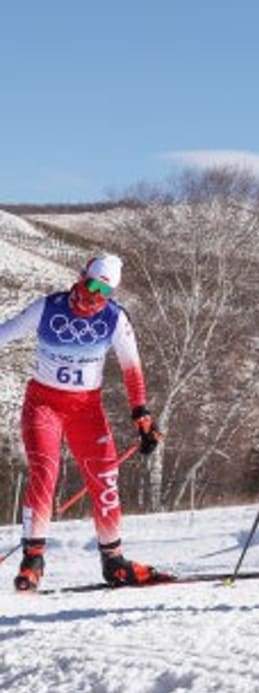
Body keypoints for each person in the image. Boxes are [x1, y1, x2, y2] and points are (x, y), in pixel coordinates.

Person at [0, 252, 164, 591]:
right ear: (80, 276)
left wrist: (141, 415)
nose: (93, 295)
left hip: (86, 409)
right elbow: (7, 332)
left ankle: (114, 561)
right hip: (43, 404)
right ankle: (32, 560)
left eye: (104, 291)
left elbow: (131, 369)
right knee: (45, 471)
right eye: (90, 284)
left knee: (105, 478)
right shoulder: (48, 307)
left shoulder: (115, 319)